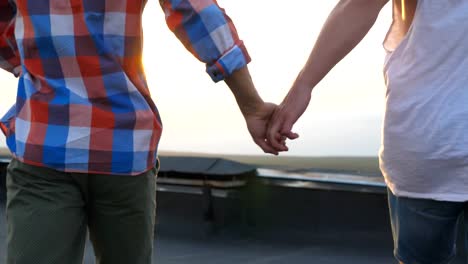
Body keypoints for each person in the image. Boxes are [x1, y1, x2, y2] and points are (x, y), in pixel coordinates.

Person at [0, 0, 283, 263]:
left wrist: (32, 62)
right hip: (122, 146)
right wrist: (250, 104)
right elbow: (197, 12)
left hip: (43, 141)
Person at [267, 0, 468, 263]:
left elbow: (357, 5)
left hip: (426, 139)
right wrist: (302, 86)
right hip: (427, 143)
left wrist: (303, 86)